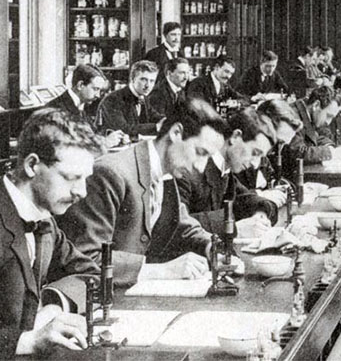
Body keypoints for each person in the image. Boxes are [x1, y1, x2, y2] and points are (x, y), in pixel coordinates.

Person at [59, 99, 232, 286]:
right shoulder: (111, 173)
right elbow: (85, 257)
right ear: (176, 133)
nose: (200, 166)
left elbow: (183, 224)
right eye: (200, 152)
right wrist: (161, 270)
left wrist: (213, 248)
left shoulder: (167, 172)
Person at [0, 108, 103, 357]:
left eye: (85, 179)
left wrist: (54, 306)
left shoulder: (43, 220)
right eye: (71, 178)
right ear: (32, 165)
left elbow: (89, 272)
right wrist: (28, 341)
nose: (82, 192)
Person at [177, 108, 281, 233]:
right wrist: (233, 228)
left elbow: (245, 199)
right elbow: (176, 225)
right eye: (254, 153)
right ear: (235, 137)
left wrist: (261, 213)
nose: (255, 164)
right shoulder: (186, 169)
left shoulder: (223, 168)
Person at [47, 64, 125, 147]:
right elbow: (66, 145)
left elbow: (92, 134)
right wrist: (104, 142)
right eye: (95, 89)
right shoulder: (56, 109)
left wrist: (115, 137)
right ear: (80, 85)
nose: (98, 95)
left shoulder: (82, 105)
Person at [282, 86, 341, 177]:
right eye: (328, 115)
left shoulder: (307, 113)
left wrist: (330, 146)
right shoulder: (293, 116)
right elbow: (297, 152)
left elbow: (315, 137)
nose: (328, 122)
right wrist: (330, 152)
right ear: (316, 105)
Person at [94, 60, 164, 137]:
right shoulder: (112, 100)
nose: (148, 85)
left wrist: (169, 121)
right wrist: (156, 127)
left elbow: (154, 116)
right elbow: (123, 129)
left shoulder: (142, 96)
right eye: (143, 80)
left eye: (152, 81)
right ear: (132, 79)